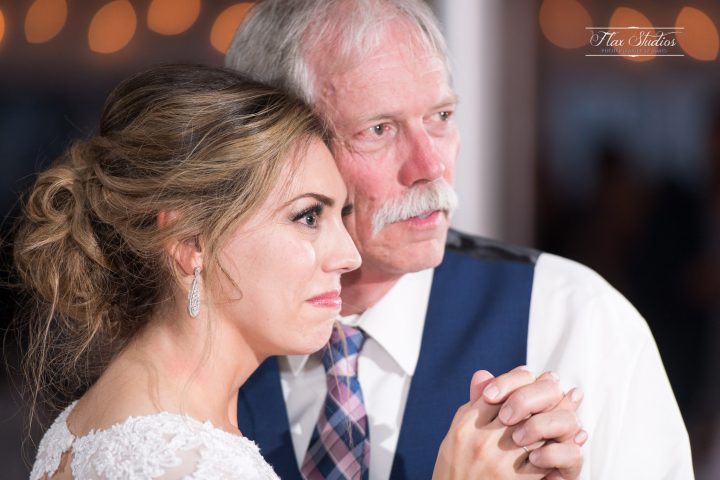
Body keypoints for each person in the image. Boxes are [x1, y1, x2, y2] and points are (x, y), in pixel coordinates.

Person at [226, 1, 694, 479]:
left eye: (441, 116)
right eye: (379, 129)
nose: (431, 167)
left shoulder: (577, 320)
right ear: (269, 145)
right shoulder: (203, 327)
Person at [17, 64, 364, 479]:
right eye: (308, 216)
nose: (350, 256)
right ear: (191, 242)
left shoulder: (94, 419)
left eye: (342, 215)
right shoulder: (197, 465)